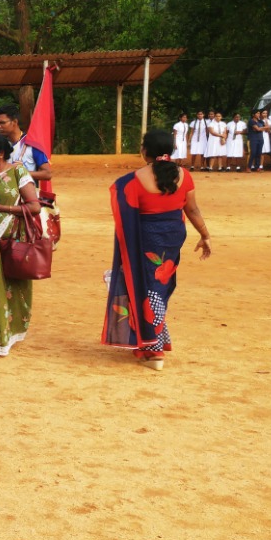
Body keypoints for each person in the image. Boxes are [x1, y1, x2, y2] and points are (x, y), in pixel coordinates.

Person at [103, 128, 212, 370]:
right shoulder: (185, 176)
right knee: (158, 288)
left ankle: (154, 351)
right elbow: (192, 210)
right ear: (172, 150)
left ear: (144, 151)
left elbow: (124, 213)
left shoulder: (131, 181)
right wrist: (205, 235)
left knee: (147, 290)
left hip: (146, 240)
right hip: (172, 239)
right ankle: (151, 341)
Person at [0, 135, 40, 356]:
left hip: (10, 239)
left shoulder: (17, 172)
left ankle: (6, 334)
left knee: (11, 288)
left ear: (1, 154)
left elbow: (34, 207)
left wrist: (2, 208)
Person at [0, 103, 53, 184]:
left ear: (14, 122)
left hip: (28, 191)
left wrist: (21, 171)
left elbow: (47, 174)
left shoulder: (31, 144)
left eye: (2, 123)